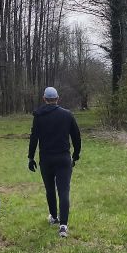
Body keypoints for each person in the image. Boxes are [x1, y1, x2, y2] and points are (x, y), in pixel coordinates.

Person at [28, 86, 81, 238]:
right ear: (57, 98)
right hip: (63, 158)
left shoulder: (39, 116)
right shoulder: (67, 115)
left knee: (50, 189)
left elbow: (34, 137)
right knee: (64, 191)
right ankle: (63, 226)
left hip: (46, 159)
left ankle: (54, 217)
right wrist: (75, 155)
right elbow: (76, 137)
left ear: (44, 99)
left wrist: (31, 157)